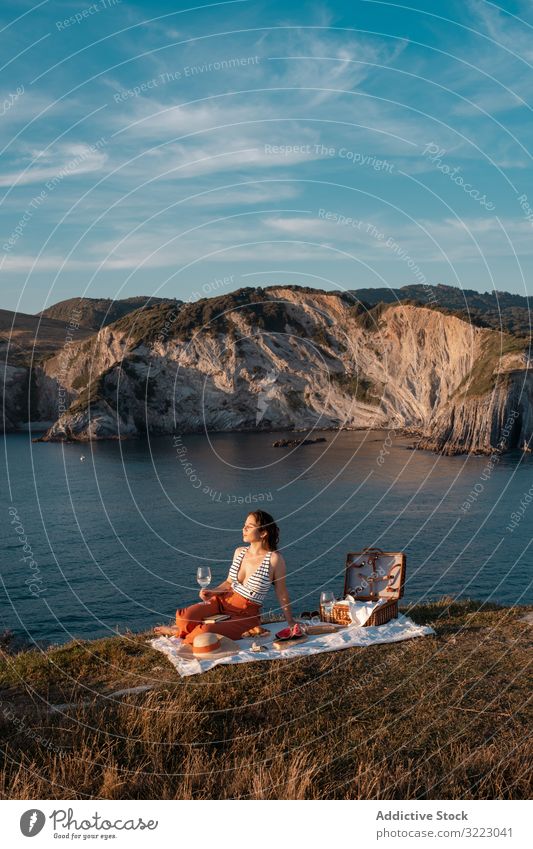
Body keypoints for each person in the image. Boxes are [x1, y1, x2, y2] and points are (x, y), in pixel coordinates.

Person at [154, 510, 298, 643]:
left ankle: (179, 633)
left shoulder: (274, 559)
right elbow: (229, 582)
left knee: (205, 633)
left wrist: (290, 621)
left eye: (250, 526)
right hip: (221, 602)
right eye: (244, 525)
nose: (244, 529)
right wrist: (212, 592)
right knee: (185, 617)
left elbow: (281, 592)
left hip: (245, 615)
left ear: (263, 533)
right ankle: (181, 629)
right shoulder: (239, 552)